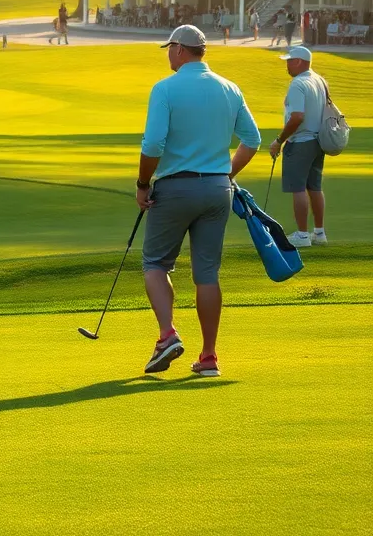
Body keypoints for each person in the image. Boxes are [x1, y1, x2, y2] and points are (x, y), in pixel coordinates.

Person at [136, 25, 261, 379]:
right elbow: (252, 140)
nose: (167, 53)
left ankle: (167, 335)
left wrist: (143, 184)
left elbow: (153, 145)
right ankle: (208, 357)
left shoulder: (165, 88)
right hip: (217, 190)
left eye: (168, 48)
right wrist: (227, 174)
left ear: (178, 50)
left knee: (155, 264)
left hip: (175, 188)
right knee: (206, 273)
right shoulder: (229, 88)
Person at [268, 46, 329, 249]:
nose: (287, 65)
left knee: (298, 188)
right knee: (314, 186)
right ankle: (319, 233)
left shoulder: (298, 84)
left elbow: (297, 117)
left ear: (300, 62)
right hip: (317, 141)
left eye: (290, 61)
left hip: (301, 142)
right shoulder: (319, 80)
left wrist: (279, 140)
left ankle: (303, 235)